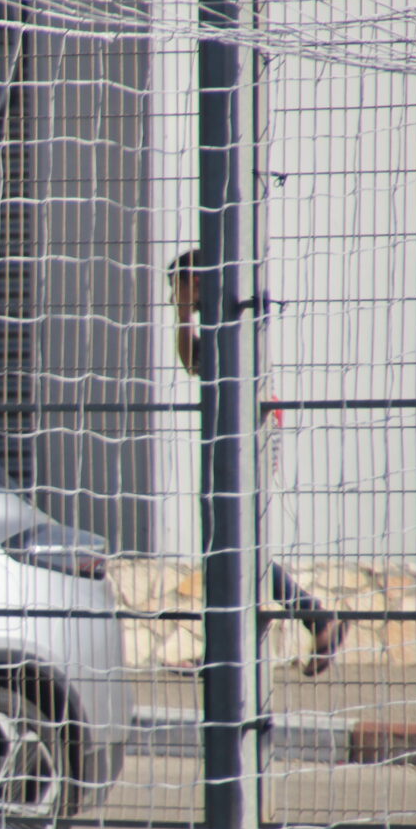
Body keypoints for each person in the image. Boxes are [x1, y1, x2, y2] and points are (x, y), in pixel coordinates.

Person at [169, 248, 346, 676]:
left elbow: (194, 361)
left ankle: (310, 618)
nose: (174, 296)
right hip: (247, 431)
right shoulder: (220, 315)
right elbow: (194, 362)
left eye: (178, 286)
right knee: (233, 541)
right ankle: (251, 638)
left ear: (196, 281)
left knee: (232, 540)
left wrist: (184, 313)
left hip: (251, 433)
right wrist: (183, 314)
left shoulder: (226, 317)